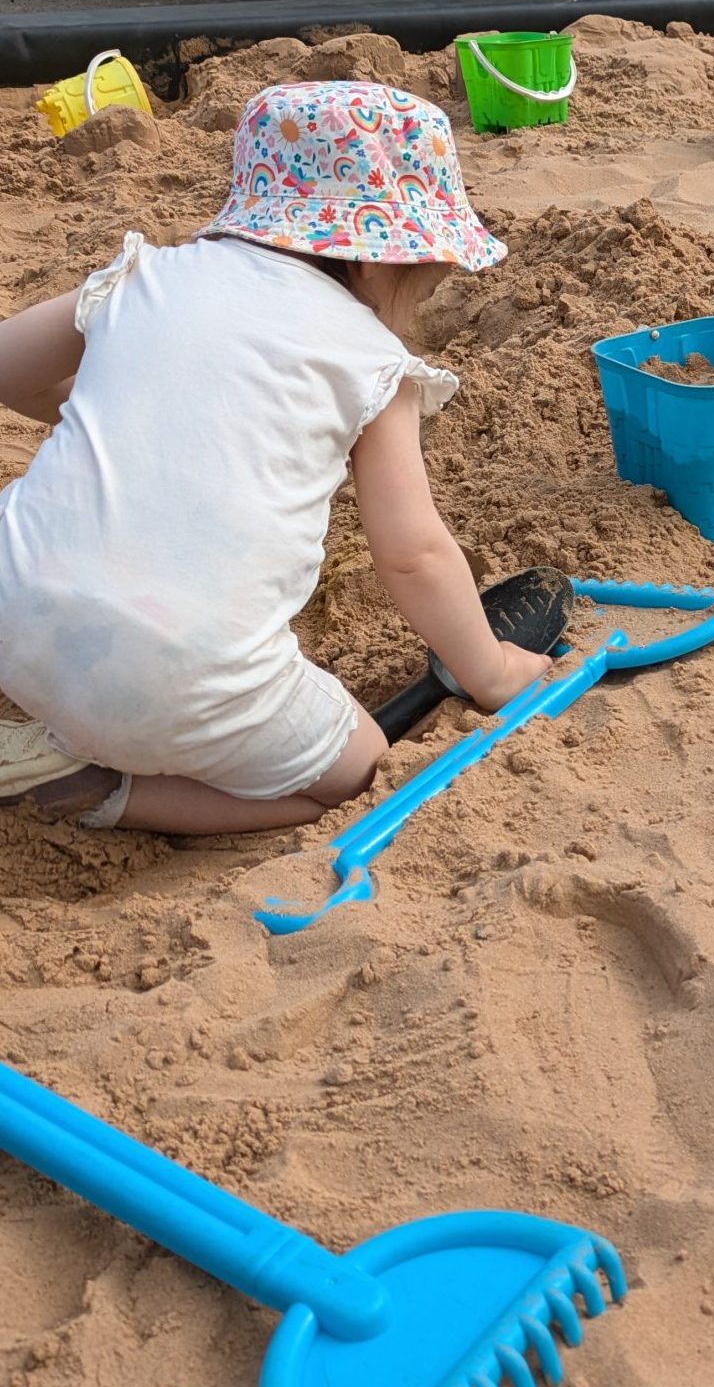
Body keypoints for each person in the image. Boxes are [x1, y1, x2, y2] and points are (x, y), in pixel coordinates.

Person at [0, 80, 550, 835]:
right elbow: (414, 552)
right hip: (186, 675)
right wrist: (492, 673)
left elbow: (7, 367)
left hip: (13, 611)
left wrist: (130, 413)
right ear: (377, 261)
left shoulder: (150, 276)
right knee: (360, 768)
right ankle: (95, 792)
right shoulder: (369, 361)